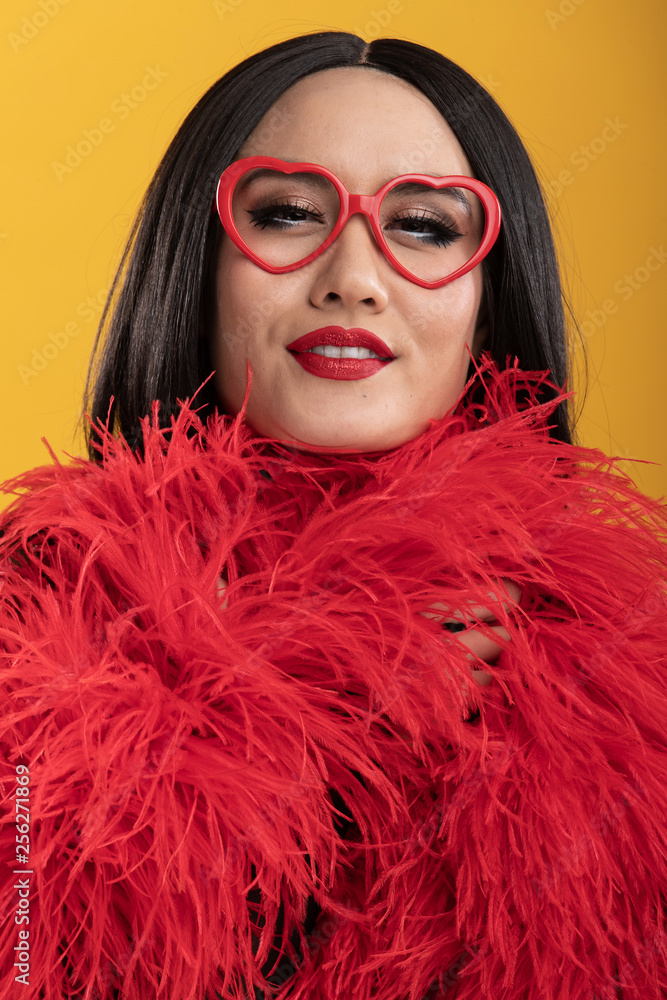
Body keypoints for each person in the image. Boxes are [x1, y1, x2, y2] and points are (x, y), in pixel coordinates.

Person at [0, 31, 665, 1000]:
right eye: (286, 212)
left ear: (490, 297)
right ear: (200, 261)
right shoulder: (29, 615)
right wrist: (291, 711)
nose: (351, 274)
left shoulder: (623, 669)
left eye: (428, 226)